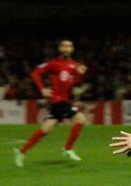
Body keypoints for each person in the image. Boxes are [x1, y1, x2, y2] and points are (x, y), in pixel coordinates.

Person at [14, 39, 87, 167]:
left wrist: (80, 75)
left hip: (64, 101)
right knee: (80, 119)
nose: (66, 48)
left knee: (46, 129)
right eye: (64, 46)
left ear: (72, 49)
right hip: (57, 100)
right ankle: (68, 149)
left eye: (69, 46)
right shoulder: (53, 63)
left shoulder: (74, 65)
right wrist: (42, 88)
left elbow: (75, 83)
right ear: (60, 48)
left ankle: (21, 151)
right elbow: (35, 73)